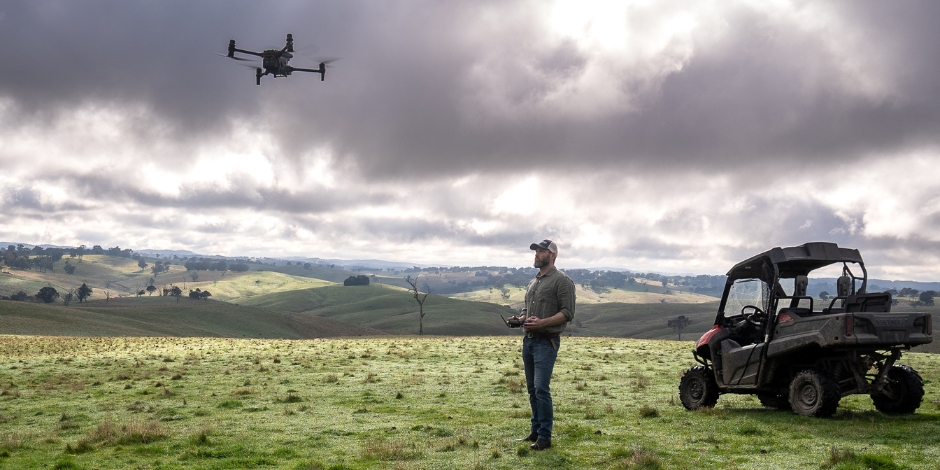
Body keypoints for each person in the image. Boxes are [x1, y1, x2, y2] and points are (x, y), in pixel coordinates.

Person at [507, 239, 576, 451]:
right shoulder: (534, 281)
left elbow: (567, 313)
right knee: (531, 389)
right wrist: (520, 318)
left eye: (541, 251)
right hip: (529, 341)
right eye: (536, 251)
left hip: (547, 342)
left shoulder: (562, 281)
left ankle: (545, 437)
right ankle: (536, 431)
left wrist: (543, 323)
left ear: (552, 255)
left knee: (541, 389)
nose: (536, 254)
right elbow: (528, 310)